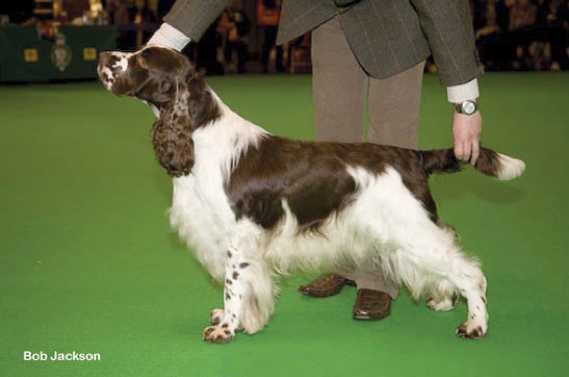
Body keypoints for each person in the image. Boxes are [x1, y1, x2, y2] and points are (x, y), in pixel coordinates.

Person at [147, 0, 484, 321]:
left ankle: (378, 277)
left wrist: (465, 99)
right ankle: (344, 261)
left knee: (389, 155)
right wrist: (165, 40)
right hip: (327, 14)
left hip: (396, 17)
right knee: (330, 156)